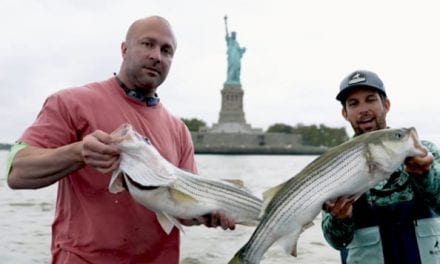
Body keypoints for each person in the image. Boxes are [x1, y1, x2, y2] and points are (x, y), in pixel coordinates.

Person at [6, 16, 235, 263]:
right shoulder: (71, 102)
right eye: (147, 44)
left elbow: (183, 210)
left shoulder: (179, 130)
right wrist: (79, 152)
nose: (156, 56)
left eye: (166, 50)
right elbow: (17, 172)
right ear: (124, 49)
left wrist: (207, 213)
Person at [321, 69, 440, 264]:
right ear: (345, 114)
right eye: (353, 103)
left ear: (386, 105)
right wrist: (340, 218)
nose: (363, 109)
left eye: (370, 99)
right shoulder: (336, 166)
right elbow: (336, 241)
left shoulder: (424, 151)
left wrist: (425, 175)